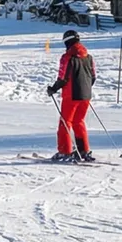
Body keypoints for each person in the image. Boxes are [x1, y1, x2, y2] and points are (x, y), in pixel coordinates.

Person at [47, 29, 96, 162]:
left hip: (71, 95)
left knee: (65, 122)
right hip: (86, 95)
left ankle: (65, 151)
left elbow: (63, 78)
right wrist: (84, 89)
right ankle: (83, 150)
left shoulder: (67, 57)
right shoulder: (89, 57)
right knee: (78, 121)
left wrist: (53, 89)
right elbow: (93, 77)